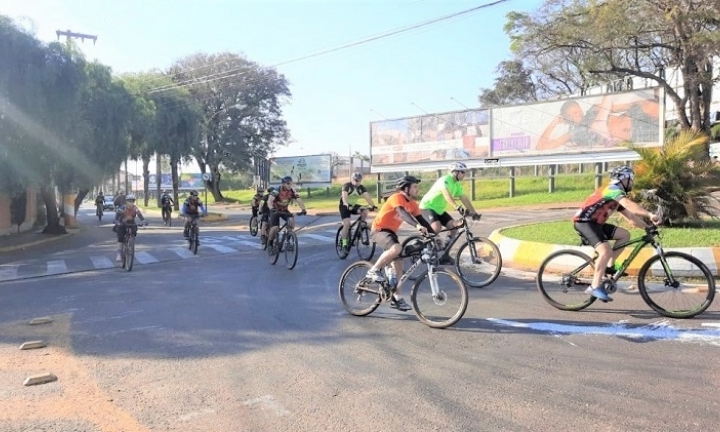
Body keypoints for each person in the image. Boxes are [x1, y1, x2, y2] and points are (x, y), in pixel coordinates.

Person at [573, 165, 661, 302]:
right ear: (623, 179)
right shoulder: (612, 190)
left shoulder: (616, 196)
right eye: (631, 179)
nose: (632, 182)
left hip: (596, 224)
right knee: (605, 251)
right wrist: (649, 214)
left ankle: (609, 266)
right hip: (584, 222)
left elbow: (631, 218)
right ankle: (594, 286)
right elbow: (629, 204)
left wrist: (647, 227)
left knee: (624, 235)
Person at [367, 175, 434, 312]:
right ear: (406, 188)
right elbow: (402, 213)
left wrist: (434, 235)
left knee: (398, 264)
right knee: (396, 247)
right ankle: (373, 271)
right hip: (379, 230)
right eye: (414, 186)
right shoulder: (396, 198)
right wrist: (417, 226)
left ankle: (396, 297)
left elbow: (422, 220)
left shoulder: (413, 204)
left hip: (391, 233)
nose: (417, 189)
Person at [419, 162, 479, 264]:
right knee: (436, 227)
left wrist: (473, 212)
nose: (464, 174)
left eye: (465, 172)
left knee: (454, 226)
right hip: (427, 207)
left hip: (439, 210)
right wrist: (456, 206)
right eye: (463, 172)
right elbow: (446, 194)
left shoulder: (457, 184)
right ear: (455, 172)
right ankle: (423, 247)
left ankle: (444, 254)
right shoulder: (445, 180)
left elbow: (464, 198)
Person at [266, 176, 307, 251]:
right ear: (283, 184)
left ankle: (288, 241)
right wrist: (271, 208)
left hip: (284, 210)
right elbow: (270, 200)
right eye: (288, 183)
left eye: (291, 183)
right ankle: (270, 243)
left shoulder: (292, 191)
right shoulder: (277, 190)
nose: (290, 185)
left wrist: (303, 209)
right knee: (275, 228)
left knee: (291, 221)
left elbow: (299, 199)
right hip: (275, 210)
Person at [339, 172, 376, 250]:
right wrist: (346, 204)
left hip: (353, 206)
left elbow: (367, 197)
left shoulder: (361, 188)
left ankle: (361, 227)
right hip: (344, 206)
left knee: (365, 211)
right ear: (352, 179)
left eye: (359, 180)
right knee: (346, 223)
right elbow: (344, 196)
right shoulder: (347, 186)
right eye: (355, 180)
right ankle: (344, 243)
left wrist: (373, 206)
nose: (357, 182)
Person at [114, 194, 147, 261]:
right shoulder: (122, 208)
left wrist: (143, 221)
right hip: (122, 223)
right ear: (126, 202)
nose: (131, 203)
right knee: (120, 238)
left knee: (134, 232)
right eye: (129, 201)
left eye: (132, 201)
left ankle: (130, 244)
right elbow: (116, 217)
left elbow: (139, 215)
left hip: (131, 223)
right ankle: (119, 254)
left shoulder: (135, 208)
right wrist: (117, 222)